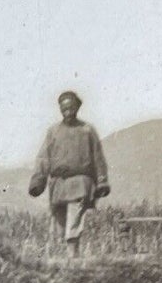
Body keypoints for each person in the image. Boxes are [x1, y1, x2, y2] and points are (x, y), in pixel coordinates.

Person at [29, 90, 109, 256]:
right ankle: (71, 255)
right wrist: (38, 181)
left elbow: (98, 157)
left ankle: (73, 255)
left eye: (71, 107)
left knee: (74, 218)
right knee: (61, 223)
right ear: (60, 109)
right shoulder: (53, 132)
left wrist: (102, 180)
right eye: (64, 108)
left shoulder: (87, 130)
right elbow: (44, 157)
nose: (67, 111)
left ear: (77, 107)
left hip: (81, 181)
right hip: (58, 185)